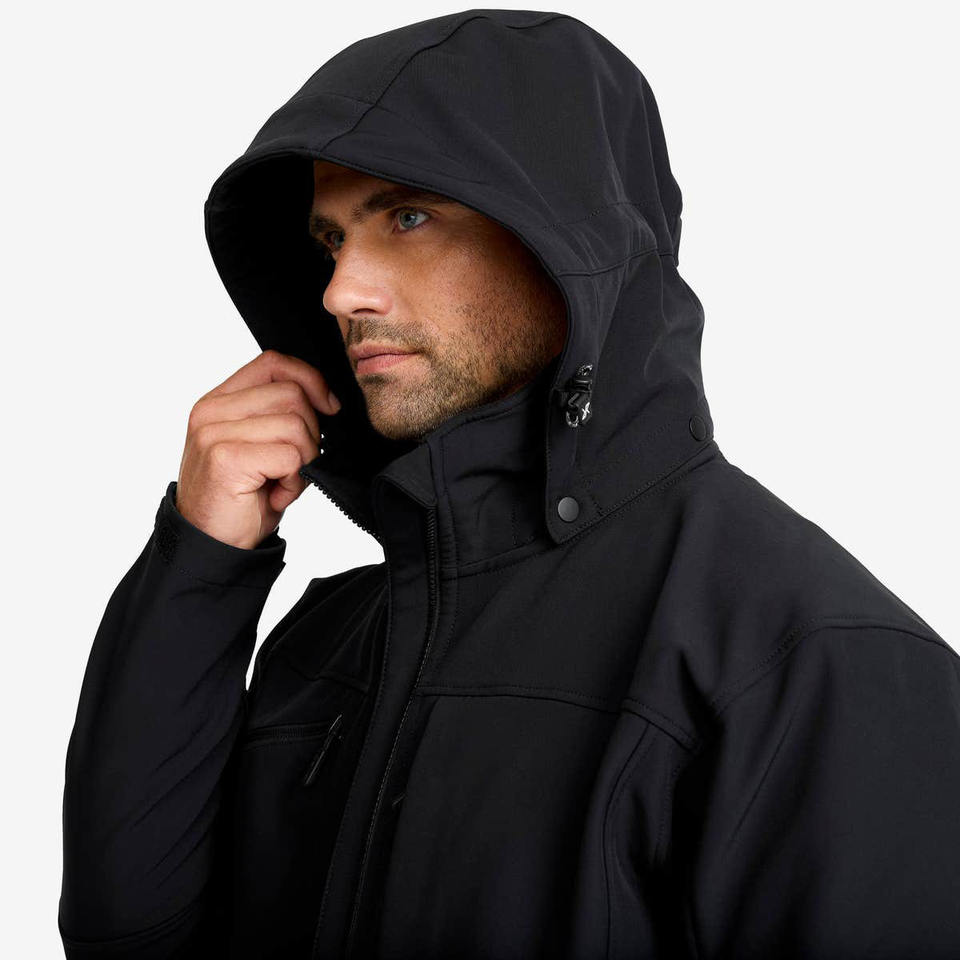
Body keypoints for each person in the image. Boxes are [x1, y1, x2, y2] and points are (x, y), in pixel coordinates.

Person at [58, 9, 960, 959]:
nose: (341, 292)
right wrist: (199, 561)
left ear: (567, 232)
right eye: (331, 243)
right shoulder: (331, 640)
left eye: (408, 217)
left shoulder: (818, 661)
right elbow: (129, 936)